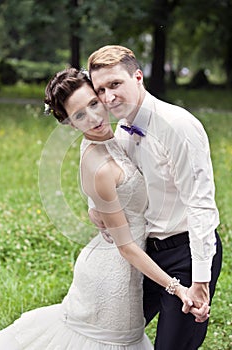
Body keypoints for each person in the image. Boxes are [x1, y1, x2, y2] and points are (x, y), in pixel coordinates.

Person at [0, 68, 207, 350]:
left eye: (93, 104)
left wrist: (93, 207)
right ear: (70, 124)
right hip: (114, 274)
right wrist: (177, 287)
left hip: (134, 260)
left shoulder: (116, 134)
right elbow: (127, 248)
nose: (94, 118)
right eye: (80, 116)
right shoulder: (100, 167)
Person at [87, 45, 223, 350]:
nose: (108, 97)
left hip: (186, 254)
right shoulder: (121, 130)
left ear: (138, 77)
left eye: (115, 84)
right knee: (108, 335)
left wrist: (199, 281)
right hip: (145, 255)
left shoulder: (178, 126)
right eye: (101, 89)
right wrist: (94, 205)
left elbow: (200, 205)